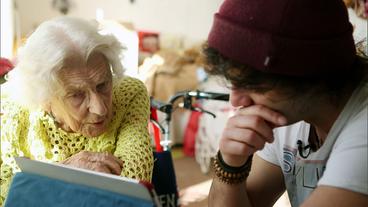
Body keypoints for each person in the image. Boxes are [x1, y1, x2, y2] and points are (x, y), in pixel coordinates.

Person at [203, 0, 368, 206]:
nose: (235, 100)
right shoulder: (292, 110)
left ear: (310, 73)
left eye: (251, 84)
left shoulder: (363, 127)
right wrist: (230, 164)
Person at [0, 17, 154, 204]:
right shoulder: (10, 112)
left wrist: (40, 185)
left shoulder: (129, 94)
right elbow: (7, 196)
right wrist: (62, 173)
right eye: (77, 95)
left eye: (103, 84)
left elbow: (131, 190)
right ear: (45, 99)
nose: (100, 109)